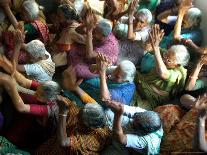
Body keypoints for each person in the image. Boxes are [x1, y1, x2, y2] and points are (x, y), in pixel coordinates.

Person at [35, 66, 111, 155]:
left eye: (80, 115)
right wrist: (69, 87)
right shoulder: (94, 111)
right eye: (81, 109)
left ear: (86, 124)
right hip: (63, 135)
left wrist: (63, 113)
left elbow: (63, 142)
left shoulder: (93, 140)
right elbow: (76, 99)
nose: (78, 112)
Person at [0, 56, 61, 148]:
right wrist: (6, 65)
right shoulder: (46, 89)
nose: (35, 93)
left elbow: (22, 108)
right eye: (37, 91)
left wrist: (11, 85)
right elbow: (24, 81)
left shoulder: (49, 108)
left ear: (47, 100)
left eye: (38, 94)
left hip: (35, 127)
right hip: (32, 109)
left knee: (12, 138)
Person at [136, 24, 190, 109]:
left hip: (152, 97)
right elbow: (146, 48)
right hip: (143, 82)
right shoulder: (168, 54)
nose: (164, 60)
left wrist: (156, 48)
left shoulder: (178, 73)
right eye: (165, 55)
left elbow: (163, 73)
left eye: (168, 60)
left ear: (177, 64)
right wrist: (151, 41)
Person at [65, 54, 136, 106]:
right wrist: (98, 65)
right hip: (104, 90)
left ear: (126, 81)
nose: (112, 75)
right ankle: (73, 90)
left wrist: (102, 73)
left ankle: (72, 93)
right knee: (88, 83)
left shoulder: (124, 92)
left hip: (106, 104)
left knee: (77, 101)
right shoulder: (118, 70)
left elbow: (105, 98)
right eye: (115, 70)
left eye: (117, 77)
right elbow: (91, 69)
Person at [68, 9, 119, 79]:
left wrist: (89, 32)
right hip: (92, 54)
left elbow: (89, 55)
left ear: (102, 36)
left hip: (99, 66)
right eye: (94, 30)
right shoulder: (101, 29)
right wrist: (86, 24)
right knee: (73, 50)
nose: (93, 33)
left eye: (95, 32)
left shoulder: (109, 46)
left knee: (78, 70)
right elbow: (77, 31)